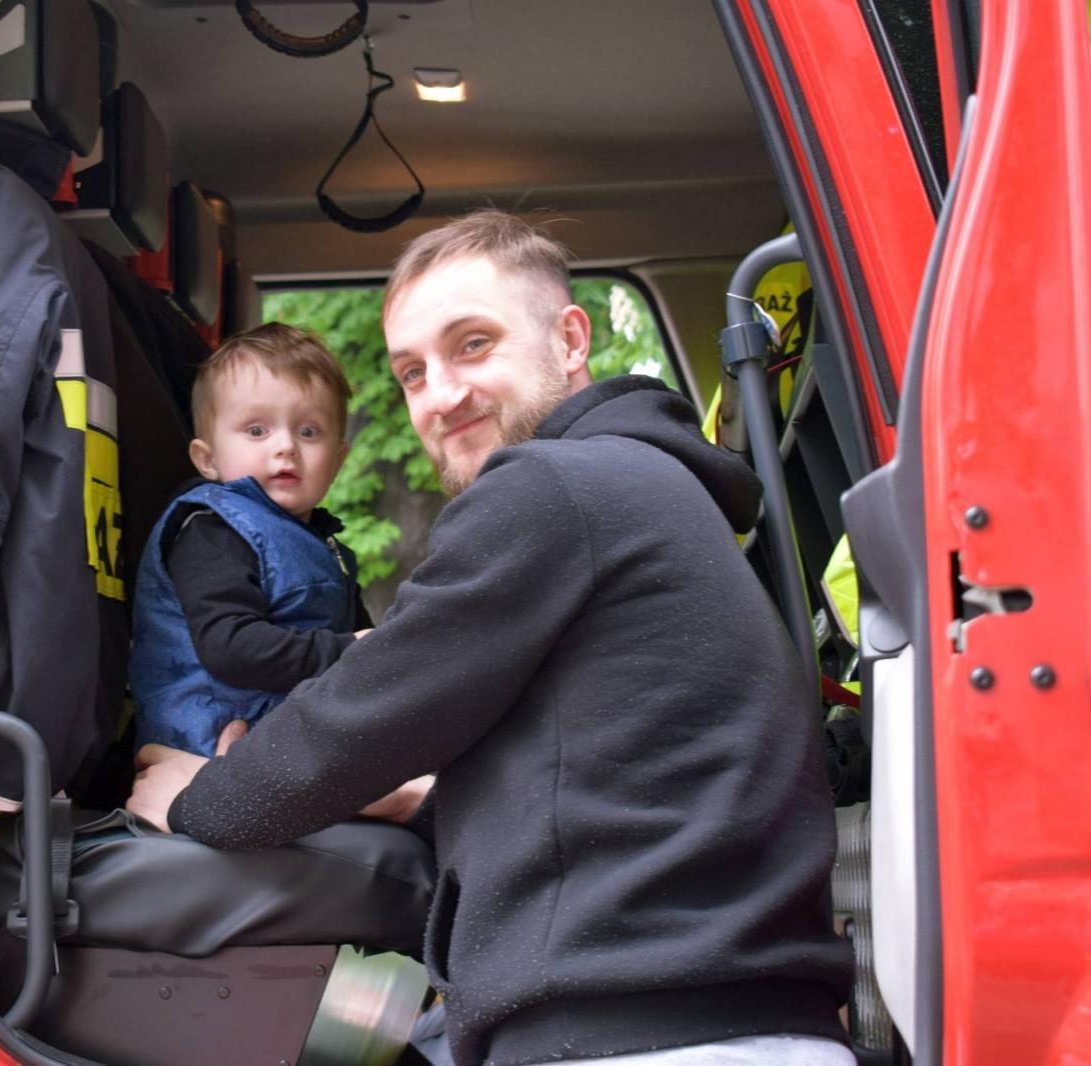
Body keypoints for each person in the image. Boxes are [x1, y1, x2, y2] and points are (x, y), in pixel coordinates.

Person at [127, 209, 854, 1065]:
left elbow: (357, 721)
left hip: (632, 1033)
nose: (440, 394)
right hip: (696, 1016)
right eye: (411, 372)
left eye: (472, 344)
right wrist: (406, 801)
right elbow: (587, 782)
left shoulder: (552, 489)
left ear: (571, 339)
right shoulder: (646, 484)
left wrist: (192, 798)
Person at [128, 323, 373, 757]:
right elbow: (232, 648)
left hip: (285, 735)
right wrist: (349, 652)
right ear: (208, 459)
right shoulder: (212, 530)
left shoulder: (322, 546)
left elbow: (364, 637)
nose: (286, 447)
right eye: (257, 431)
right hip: (206, 740)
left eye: (309, 432)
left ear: (338, 460)